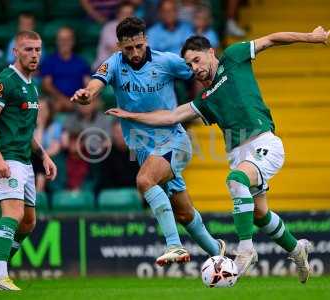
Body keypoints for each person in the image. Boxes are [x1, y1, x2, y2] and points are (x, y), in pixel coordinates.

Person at [107, 26, 330, 283]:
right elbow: (170, 116)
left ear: (211, 52)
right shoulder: (205, 99)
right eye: (189, 65)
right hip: (239, 153)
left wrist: (310, 37)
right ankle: (296, 248)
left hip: (264, 142)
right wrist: (130, 114)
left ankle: (246, 251)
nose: (195, 68)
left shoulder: (234, 57)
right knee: (260, 215)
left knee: (236, 180)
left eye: (197, 60)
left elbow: (271, 39)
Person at [71, 17, 225, 266]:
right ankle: (220, 255)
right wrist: (88, 93)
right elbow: (97, 82)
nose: (134, 52)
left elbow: (200, 69)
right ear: (119, 45)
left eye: (139, 46)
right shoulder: (113, 64)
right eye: (128, 48)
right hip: (145, 151)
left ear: (146, 41)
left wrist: (215, 89)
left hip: (174, 141)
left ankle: (173, 245)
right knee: (185, 214)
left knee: (144, 180)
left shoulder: (166, 61)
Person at [0, 30, 57, 291]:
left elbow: (26, 130)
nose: (34, 54)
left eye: (37, 49)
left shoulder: (31, 85)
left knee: (28, 222)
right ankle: (0, 274)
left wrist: (43, 155)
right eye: (28, 49)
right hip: (6, 158)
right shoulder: (6, 80)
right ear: (15, 51)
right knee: (13, 213)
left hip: (24, 159)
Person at [41, 27, 91, 112]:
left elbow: (88, 84)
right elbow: (47, 85)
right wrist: (63, 99)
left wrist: (79, 99)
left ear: (73, 41)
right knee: (54, 105)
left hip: (78, 100)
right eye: (61, 39)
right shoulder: (49, 61)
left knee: (90, 105)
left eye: (68, 39)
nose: (64, 42)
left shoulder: (81, 62)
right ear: (57, 42)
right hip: (56, 100)